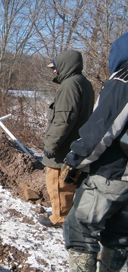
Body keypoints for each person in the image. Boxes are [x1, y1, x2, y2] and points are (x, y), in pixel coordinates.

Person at [38, 32, 128, 272]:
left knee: (79, 226)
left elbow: (102, 128)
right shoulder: (86, 83)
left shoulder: (122, 82)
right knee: (119, 235)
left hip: (112, 172)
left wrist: (75, 159)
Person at [39, 50, 95, 228]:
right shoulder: (84, 83)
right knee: (70, 184)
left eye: (55, 68)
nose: (54, 71)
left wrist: (51, 144)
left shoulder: (69, 86)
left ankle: (60, 218)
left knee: (57, 182)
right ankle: (66, 213)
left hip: (63, 148)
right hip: (76, 145)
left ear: (65, 66)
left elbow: (64, 118)